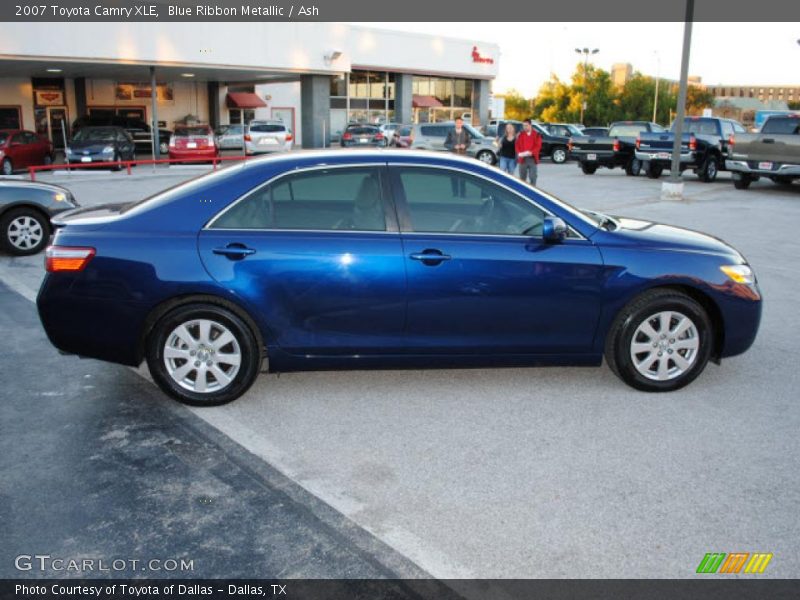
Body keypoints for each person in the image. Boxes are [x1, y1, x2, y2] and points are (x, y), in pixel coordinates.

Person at [444, 117, 472, 196]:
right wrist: (453, 146)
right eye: (457, 122)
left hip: (463, 156)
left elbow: (469, 143)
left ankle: (463, 193)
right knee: (454, 175)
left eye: (460, 122)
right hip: (453, 156)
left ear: (462, 123)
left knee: (463, 175)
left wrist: (465, 146)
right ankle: (455, 193)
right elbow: (446, 144)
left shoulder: (465, 132)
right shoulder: (451, 132)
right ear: (455, 123)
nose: (459, 124)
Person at [515, 119, 542, 186]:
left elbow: (538, 146)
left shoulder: (536, 134)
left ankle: (533, 192)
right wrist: (519, 153)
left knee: (533, 177)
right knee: (522, 178)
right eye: (523, 126)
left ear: (530, 125)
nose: (525, 127)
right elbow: (517, 145)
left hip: (532, 159)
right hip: (522, 159)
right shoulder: (520, 135)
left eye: (526, 125)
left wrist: (531, 152)